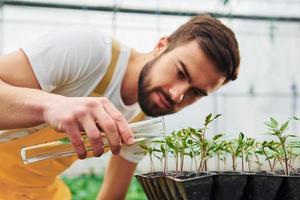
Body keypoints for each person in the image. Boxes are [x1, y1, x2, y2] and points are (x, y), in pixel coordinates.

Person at [0, 14, 240, 199]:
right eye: (180, 72)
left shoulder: (145, 119)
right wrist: (50, 106)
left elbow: (113, 193)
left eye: (195, 92)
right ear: (161, 46)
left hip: (36, 191)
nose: (177, 95)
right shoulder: (90, 52)